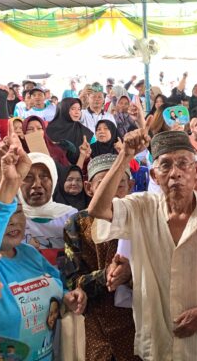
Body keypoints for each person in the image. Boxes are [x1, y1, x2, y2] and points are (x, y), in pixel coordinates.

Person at [88, 129, 197, 360]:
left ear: (196, 171)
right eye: (165, 165)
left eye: (184, 163)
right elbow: (98, 210)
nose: (175, 173)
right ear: (154, 176)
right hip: (159, 340)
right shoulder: (141, 207)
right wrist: (125, 155)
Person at [0, 134, 86, 361]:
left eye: (19, 211)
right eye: (6, 214)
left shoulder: (29, 253)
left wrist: (66, 297)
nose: (14, 220)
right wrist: (10, 183)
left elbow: (55, 287)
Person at [61, 154, 140, 361]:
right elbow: (72, 281)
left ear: (131, 185)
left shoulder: (142, 217)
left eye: (120, 184)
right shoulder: (77, 223)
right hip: (97, 323)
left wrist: (133, 275)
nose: (112, 192)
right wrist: (109, 275)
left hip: (138, 321)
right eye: (103, 184)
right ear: (89, 188)